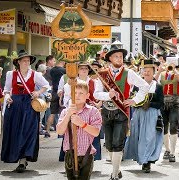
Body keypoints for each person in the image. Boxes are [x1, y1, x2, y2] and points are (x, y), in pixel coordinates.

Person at [94, 46, 149, 180]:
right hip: (106, 111)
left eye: (121, 56)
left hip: (122, 112)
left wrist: (134, 100)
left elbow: (145, 86)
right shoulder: (102, 74)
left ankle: (114, 174)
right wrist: (108, 94)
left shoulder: (129, 73)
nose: (119, 58)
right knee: (109, 143)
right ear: (110, 59)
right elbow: (96, 94)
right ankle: (117, 169)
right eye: (116, 56)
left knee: (118, 142)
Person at [1, 50, 49, 172]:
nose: (26, 63)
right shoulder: (11, 74)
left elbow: (46, 85)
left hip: (29, 105)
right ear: (18, 62)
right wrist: (7, 97)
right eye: (24, 61)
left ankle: (23, 160)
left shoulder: (35, 74)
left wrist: (38, 92)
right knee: (15, 131)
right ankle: (18, 157)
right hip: (15, 105)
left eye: (28, 61)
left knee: (27, 131)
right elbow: (6, 90)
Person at [124, 58, 164, 173]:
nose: (146, 72)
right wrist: (138, 104)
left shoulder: (158, 86)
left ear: (153, 71)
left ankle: (147, 161)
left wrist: (150, 104)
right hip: (139, 114)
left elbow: (161, 103)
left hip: (152, 115)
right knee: (138, 137)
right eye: (144, 70)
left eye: (149, 70)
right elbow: (132, 99)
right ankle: (141, 158)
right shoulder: (137, 86)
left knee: (149, 138)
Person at [57, 81, 102, 180]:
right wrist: (68, 115)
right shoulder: (65, 111)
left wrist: (82, 123)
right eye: (75, 93)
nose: (77, 95)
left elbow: (96, 132)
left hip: (86, 154)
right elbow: (60, 131)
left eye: (81, 93)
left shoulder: (93, 111)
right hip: (70, 154)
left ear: (87, 95)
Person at [155, 56, 179, 163]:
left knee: (174, 126)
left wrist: (177, 73)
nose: (171, 66)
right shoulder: (163, 74)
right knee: (164, 126)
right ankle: (167, 150)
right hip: (163, 102)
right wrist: (159, 71)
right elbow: (154, 83)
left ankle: (173, 152)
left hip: (175, 102)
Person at [45, 60, 66, 138]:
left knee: (52, 113)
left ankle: (47, 131)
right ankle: (61, 132)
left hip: (54, 92)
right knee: (63, 113)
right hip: (62, 93)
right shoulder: (64, 71)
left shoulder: (52, 70)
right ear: (63, 62)